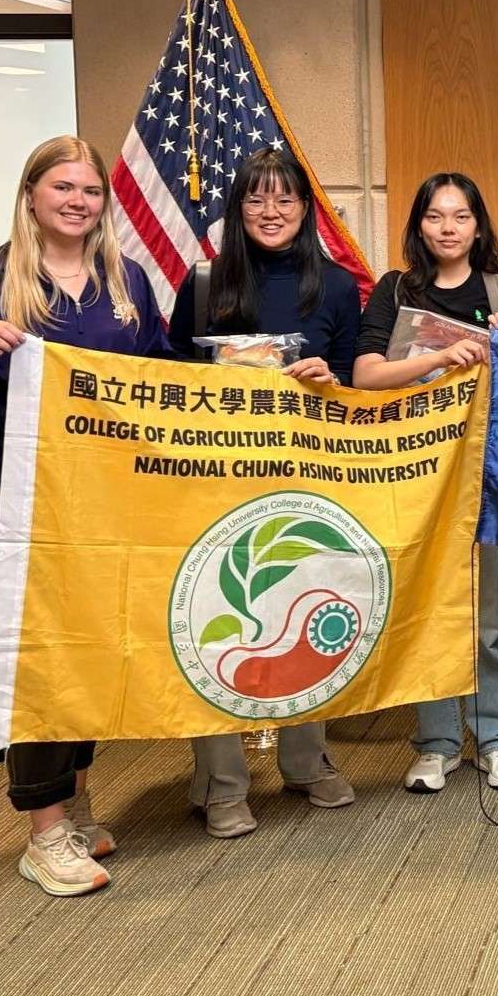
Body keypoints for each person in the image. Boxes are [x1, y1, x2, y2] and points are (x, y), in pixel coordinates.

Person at [0, 135, 168, 895]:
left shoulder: (127, 284)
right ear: (32, 196)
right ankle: (43, 830)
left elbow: (160, 380)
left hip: (98, 498)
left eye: (91, 191)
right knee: (34, 655)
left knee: (87, 647)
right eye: (64, 188)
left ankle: (76, 799)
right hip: (4, 497)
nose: (79, 201)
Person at [169, 147, 362, 839]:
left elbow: (351, 382)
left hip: (306, 477)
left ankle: (307, 760)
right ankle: (220, 781)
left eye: (284, 199)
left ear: (306, 210)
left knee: (309, 607)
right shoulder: (201, 284)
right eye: (256, 199)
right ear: (237, 208)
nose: (271, 211)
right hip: (217, 482)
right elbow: (169, 384)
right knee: (213, 620)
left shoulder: (336, 286)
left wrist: (328, 381)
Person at [352, 172, 498, 794]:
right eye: (435, 216)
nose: (448, 228)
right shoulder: (395, 290)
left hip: (489, 478)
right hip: (417, 482)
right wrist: (435, 358)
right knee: (427, 608)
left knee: (487, 616)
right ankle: (435, 740)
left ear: (478, 226)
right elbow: (367, 373)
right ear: (418, 225)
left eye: (460, 216)